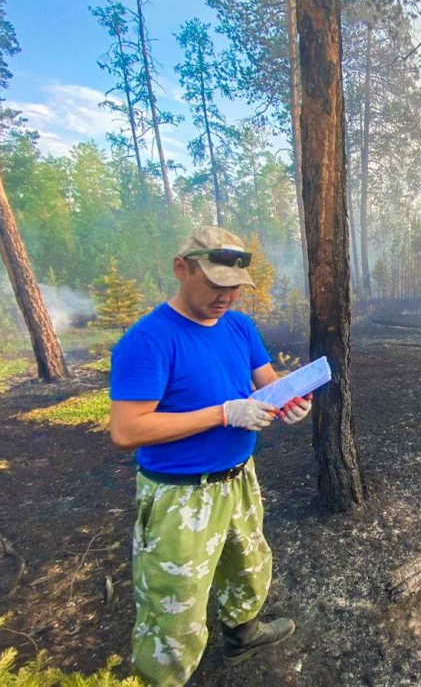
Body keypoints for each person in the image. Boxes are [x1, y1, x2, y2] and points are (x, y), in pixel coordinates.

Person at [109, 226, 312, 686]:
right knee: (175, 604)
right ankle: (164, 677)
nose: (228, 297)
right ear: (182, 269)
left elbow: (267, 382)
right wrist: (222, 414)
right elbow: (126, 431)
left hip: (239, 479)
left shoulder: (239, 326)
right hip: (180, 496)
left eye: (236, 287)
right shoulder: (150, 340)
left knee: (248, 565)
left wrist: (290, 400)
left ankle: (243, 636)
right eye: (216, 285)